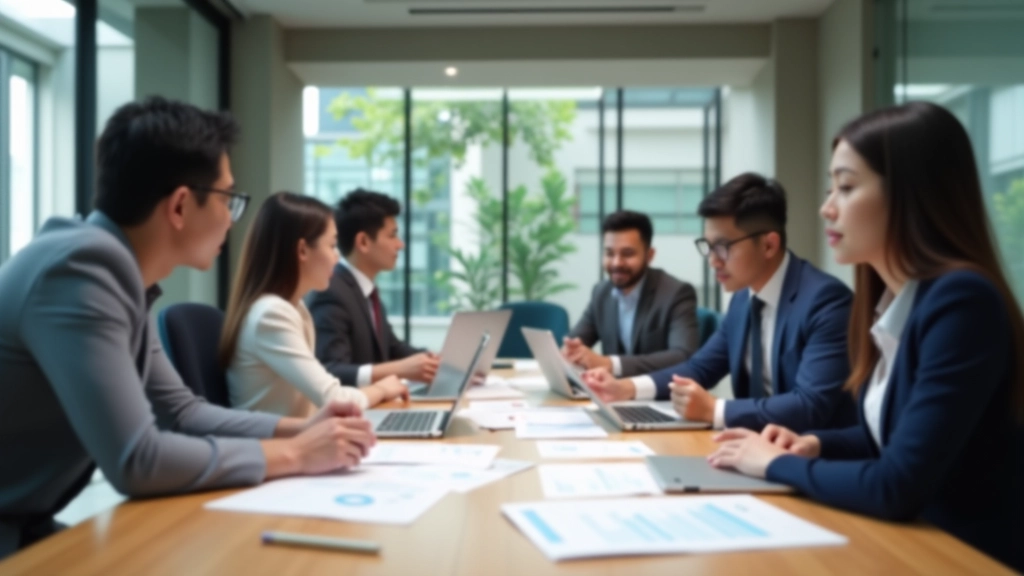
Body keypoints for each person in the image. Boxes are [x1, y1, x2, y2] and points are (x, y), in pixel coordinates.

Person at [0, 98, 375, 559]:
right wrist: (299, 455)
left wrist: (304, 429)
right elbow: (136, 460)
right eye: (228, 200)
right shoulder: (82, 269)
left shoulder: (114, 271)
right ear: (180, 205)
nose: (232, 221)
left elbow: (182, 414)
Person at [708, 102, 1024, 572]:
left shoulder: (962, 302)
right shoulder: (897, 304)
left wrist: (773, 464)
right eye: (830, 187)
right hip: (906, 542)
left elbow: (897, 484)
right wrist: (816, 444)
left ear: (912, 195)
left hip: (959, 556)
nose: (826, 207)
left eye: (847, 187)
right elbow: (897, 437)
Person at [583, 174, 855, 432]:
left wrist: (715, 410)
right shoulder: (743, 298)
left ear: (769, 245)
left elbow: (810, 405)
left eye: (723, 247)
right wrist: (626, 388)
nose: (713, 260)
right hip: (751, 446)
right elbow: (700, 368)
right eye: (708, 246)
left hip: (813, 458)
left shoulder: (826, 301)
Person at [222, 192, 410, 416]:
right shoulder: (271, 314)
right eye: (331, 246)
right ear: (302, 250)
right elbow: (334, 398)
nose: (336, 257)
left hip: (300, 439)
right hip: (276, 447)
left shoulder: (295, 309)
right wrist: (381, 389)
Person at [307, 189, 439, 387]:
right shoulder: (332, 292)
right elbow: (330, 370)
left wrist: (437, 363)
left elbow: (393, 348)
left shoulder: (366, 291)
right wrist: (399, 369)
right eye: (393, 235)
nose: (400, 244)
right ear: (363, 242)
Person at [563, 210, 699, 377]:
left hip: (659, 397)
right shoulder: (601, 292)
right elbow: (576, 342)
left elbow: (683, 355)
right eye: (609, 253)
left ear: (649, 255)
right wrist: (571, 351)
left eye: (627, 254)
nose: (616, 262)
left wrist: (610, 364)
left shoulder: (676, 293)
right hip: (611, 395)